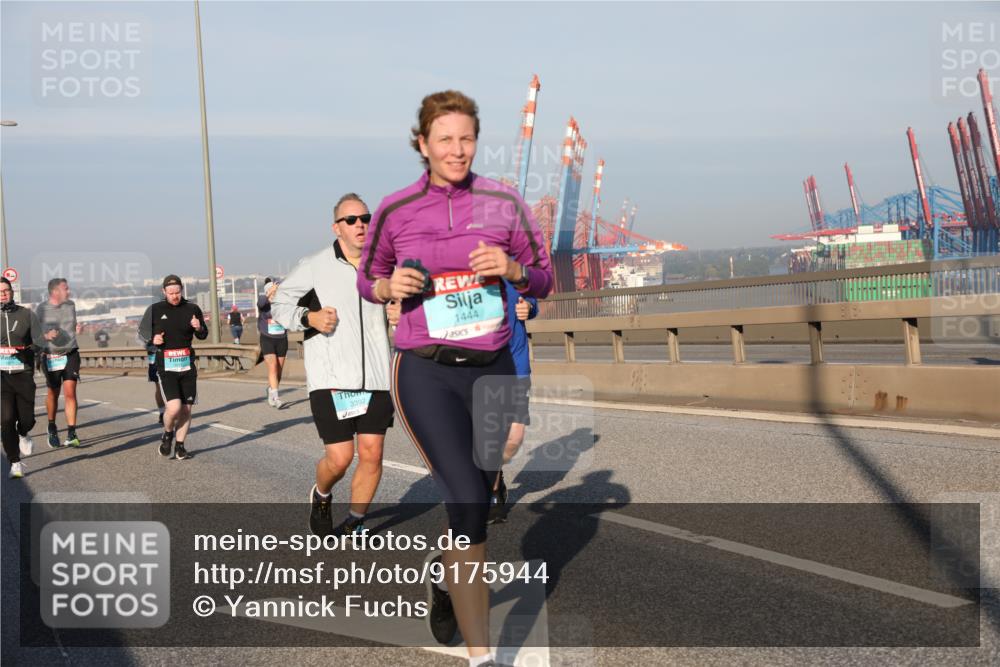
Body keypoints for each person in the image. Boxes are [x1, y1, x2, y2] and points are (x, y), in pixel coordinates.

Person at [357, 90, 553, 665]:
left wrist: (513, 268)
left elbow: (544, 278)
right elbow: (369, 278)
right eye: (445, 138)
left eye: (466, 138)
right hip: (427, 372)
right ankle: (481, 657)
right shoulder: (396, 209)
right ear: (423, 144)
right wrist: (389, 287)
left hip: (493, 370)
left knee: (479, 498)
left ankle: (445, 578)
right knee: (468, 502)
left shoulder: (504, 203)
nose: (457, 149)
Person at [273, 193, 400, 538]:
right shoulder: (315, 265)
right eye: (351, 220)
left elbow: (406, 303)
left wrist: (401, 310)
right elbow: (280, 305)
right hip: (332, 379)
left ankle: (356, 521)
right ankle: (322, 494)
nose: (361, 224)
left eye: (366, 218)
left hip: (377, 377)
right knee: (341, 458)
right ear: (336, 228)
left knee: (372, 454)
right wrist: (309, 317)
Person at [138, 275, 208, 460]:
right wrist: (153, 339)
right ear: (164, 292)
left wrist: (199, 327)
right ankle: (168, 433)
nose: (175, 296)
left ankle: (180, 446)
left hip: (187, 365)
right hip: (166, 366)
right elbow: (142, 333)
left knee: (186, 409)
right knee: (174, 407)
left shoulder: (192, 308)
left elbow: (203, 334)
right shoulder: (155, 310)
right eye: (171, 293)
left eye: (177, 292)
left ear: (181, 290)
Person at [488, 281, 538, 524]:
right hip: (481, 367)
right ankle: (492, 494)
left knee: (513, 439)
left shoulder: (515, 269)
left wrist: (529, 307)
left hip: (516, 366)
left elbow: (532, 299)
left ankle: (495, 472)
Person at [1, 277, 45, 478]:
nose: (3, 294)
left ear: (12, 292)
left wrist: (27, 351)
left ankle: (24, 433)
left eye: (6, 290)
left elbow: (40, 341)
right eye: (0, 291)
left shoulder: (26, 314)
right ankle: (15, 462)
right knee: (6, 420)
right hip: (2, 377)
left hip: (23, 373)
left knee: (27, 419)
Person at [35, 277, 83, 448]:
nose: (69, 291)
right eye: (65, 288)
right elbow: (35, 335)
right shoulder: (41, 309)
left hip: (70, 353)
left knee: (70, 392)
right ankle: (51, 426)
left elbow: (73, 325)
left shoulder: (71, 305)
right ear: (55, 291)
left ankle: (71, 433)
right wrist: (46, 336)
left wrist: (78, 328)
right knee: (53, 393)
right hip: (51, 356)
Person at [257, 277, 288, 408]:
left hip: (282, 338)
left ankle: (271, 390)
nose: (275, 293)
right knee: (273, 367)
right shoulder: (263, 302)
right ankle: (276, 398)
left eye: (276, 290)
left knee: (279, 371)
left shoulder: (282, 302)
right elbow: (261, 303)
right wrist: (271, 291)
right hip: (267, 338)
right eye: (272, 291)